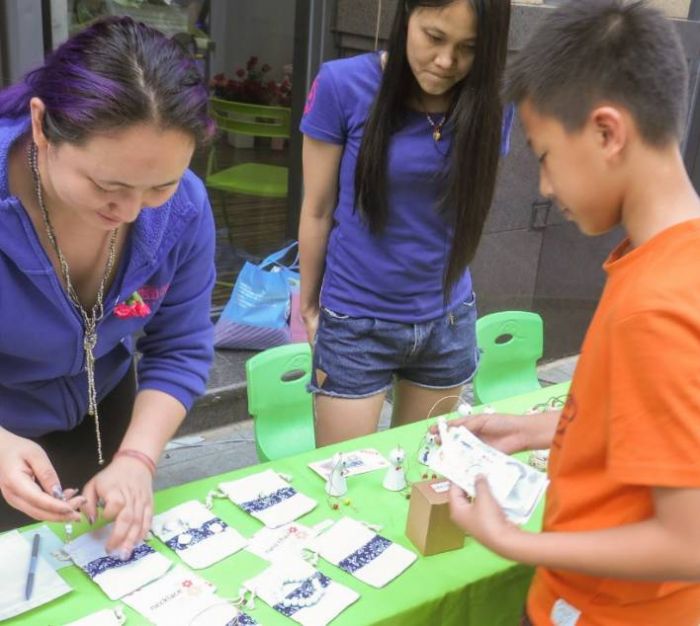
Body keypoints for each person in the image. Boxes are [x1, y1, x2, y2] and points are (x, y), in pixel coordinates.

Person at [442, 2, 700, 624]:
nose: (544, 187)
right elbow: (651, 424)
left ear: (607, 133)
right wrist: (537, 429)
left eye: (545, 155)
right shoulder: (666, 258)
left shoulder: (656, 305)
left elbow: (689, 541)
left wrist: (515, 542)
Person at [0, 17, 216, 560]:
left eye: (160, 185)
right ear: (43, 126)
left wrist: (137, 459)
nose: (130, 213)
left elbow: (180, 347)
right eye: (107, 185)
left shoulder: (184, 209)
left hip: (104, 413)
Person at [299, 0, 512, 446]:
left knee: (419, 475)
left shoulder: (490, 102)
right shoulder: (343, 84)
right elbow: (317, 209)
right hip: (357, 321)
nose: (446, 61)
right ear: (406, 17)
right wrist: (309, 304)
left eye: (468, 48)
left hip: (447, 322)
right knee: (347, 478)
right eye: (434, 37)